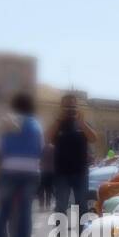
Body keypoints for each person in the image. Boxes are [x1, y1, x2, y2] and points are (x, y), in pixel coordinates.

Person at [0, 92, 43, 237]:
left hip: (9, 169)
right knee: (26, 208)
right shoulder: (36, 124)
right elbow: (40, 148)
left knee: (4, 208)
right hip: (31, 170)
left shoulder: (7, 122)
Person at [49, 94, 96, 225]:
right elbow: (47, 138)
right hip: (61, 172)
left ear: (77, 107)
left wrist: (81, 122)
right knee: (61, 206)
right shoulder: (58, 123)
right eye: (67, 106)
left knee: (82, 205)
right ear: (61, 107)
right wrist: (59, 120)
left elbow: (93, 138)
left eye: (73, 106)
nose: (70, 109)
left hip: (81, 172)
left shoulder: (83, 123)